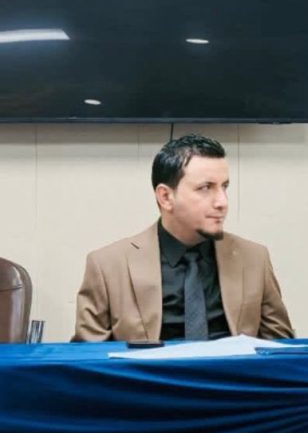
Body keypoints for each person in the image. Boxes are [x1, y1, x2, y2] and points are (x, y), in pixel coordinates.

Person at [74, 134, 293, 342]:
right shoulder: (108, 265)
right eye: (205, 188)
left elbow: (282, 352)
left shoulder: (254, 258)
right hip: (148, 371)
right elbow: (89, 360)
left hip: (231, 370)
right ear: (165, 197)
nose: (222, 202)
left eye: (224, 187)